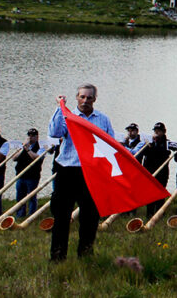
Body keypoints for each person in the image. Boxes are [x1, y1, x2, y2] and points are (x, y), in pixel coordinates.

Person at [48, 83, 113, 261]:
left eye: (89, 97)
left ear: (95, 99)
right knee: (61, 216)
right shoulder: (67, 117)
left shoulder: (102, 120)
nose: (85, 101)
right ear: (76, 97)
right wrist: (59, 108)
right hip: (67, 171)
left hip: (91, 173)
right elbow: (54, 133)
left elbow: (110, 145)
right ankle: (57, 257)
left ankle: (85, 256)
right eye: (82, 97)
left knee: (90, 217)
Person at [140, 122, 171, 218]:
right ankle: (149, 214)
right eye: (155, 131)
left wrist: (154, 146)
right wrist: (147, 145)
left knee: (160, 193)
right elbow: (144, 153)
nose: (157, 133)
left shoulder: (167, 143)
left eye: (159, 131)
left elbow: (164, 154)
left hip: (162, 172)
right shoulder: (150, 143)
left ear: (163, 132)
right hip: (150, 171)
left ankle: (159, 213)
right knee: (150, 193)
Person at [13, 128, 46, 219]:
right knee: (20, 196)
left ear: (37, 137)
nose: (30, 137)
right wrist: (23, 149)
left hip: (32, 176)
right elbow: (14, 158)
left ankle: (32, 215)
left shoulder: (41, 147)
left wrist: (28, 150)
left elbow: (37, 158)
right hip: (21, 175)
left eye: (33, 136)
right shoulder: (23, 146)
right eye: (29, 135)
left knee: (32, 196)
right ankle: (20, 214)